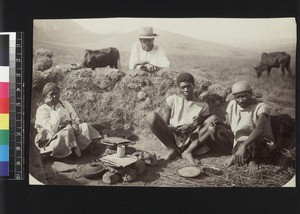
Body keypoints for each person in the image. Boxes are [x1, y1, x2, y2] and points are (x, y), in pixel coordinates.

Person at [146, 72, 233, 164]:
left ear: (193, 86)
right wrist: (176, 129)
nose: (186, 89)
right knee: (151, 116)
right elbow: (164, 124)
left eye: (188, 86)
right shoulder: (172, 100)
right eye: (183, 87)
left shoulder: (203, 105)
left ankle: (188, 152)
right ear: (178, 88)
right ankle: (172, 150)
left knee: (212, 120)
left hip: (192, 140)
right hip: (173, 137)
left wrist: (194, 125)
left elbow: (203, 126)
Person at [34, 82, 102, 159]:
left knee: (85, 126)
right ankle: (68, 154)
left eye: (56, 93)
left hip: (70, 128)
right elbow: (52, 128)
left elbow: (74, 117)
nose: (55, 96)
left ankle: (82, 148)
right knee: (67, 133)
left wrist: (75, 124)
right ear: (45, 96)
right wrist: (53, 108)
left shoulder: (65, 104)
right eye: (51, 94)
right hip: (52, 136)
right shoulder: (42, 109)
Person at [224, 81, 276, 172]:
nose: (240, 100)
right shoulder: (232, 104)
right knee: (218, 130)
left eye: (244, 96)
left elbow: (259, 129)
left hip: (259, 142)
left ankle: (253, 160)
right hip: (240, 142)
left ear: (250, 94)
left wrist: (243, 146)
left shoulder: (261, 107)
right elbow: (228, 124)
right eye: (237, 97)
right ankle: (238, 155)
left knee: (253, 141)